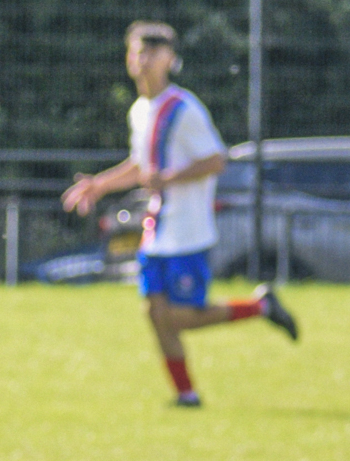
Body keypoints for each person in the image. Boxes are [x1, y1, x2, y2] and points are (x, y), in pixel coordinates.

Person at [61, 20, 298, 408]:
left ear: (170, 59)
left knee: (184, 316)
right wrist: (99, 184)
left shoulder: (183, 108)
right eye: (138, 50)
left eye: (153, 51)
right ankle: (186, 395)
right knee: (155, 314)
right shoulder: (140, 110)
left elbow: (215, 160)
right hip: (158, 229)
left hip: (188, 230)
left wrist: (169, 178)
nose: (144, 59)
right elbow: (142, 165)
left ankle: (260, 307)